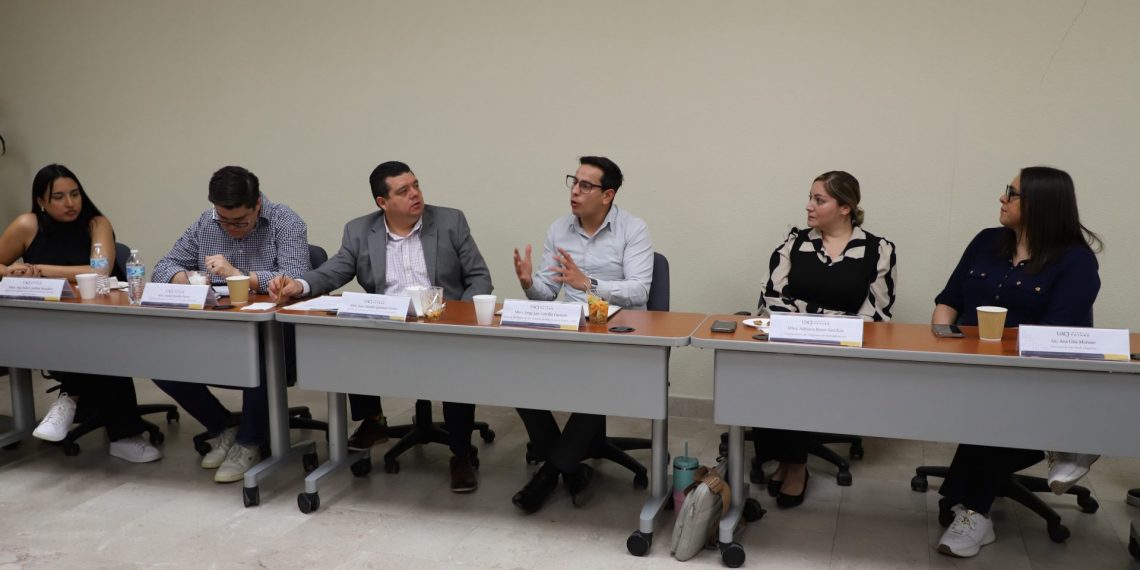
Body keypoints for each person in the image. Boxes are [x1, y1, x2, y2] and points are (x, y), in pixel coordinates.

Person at [269, 161, 492, 493]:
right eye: (403, 191)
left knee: (454, 365)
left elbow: (479, 277)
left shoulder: (450, 222)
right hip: (388, 325)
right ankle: (373, 420)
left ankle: (460, 454)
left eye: (416, 185)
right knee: (350, 336)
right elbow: (334, 270)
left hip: (440, 323)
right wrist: (299, 285)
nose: (415, 194)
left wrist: (460, 318)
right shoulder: (360, 230)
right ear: (382, 202)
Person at [932, 166, 1102, 558]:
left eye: (1012, 193)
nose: (1002, 198)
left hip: (1032, 381)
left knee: (996, 411)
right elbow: (948, 302)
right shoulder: (986, 241)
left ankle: (974, 509)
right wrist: (942, 344)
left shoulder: (1075, 261)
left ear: (1041, 203)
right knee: (985, 404)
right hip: (970, 368)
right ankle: (972, 494)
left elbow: (1057, 339)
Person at [510, 156, 653, 513]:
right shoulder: (559, 229)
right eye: (574, 182)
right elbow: (547, 293)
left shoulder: (633, 230)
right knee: (515, 373)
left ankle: (549, 473)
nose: (575, 190)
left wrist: (588, 283)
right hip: (570, 330)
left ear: (607, 195)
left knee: (601, 380)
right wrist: (529, 283)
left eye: (585, 185)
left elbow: (640, 290)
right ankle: (569, 467)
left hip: (619, 332)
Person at [151, 165, 310, 483]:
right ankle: (223, 427)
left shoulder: (286, 221)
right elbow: (163, 266)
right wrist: (187, 278)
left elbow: (296, 276)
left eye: (240, 221)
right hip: (215, 329)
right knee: (159, 360)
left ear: (257, 205)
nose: (231, 228)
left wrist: (237, 275)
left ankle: (249, 442)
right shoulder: (205, 223)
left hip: (272, 334)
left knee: (259, 356)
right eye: (224, 220)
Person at [756, 171, 898, 508]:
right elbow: (771, 298)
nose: (809, 206)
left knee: (796, 374)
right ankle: (791, 460)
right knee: (775, 368)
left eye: (819, 200)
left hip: (844, 353)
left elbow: (876, 316)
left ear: (845, 207)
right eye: (810, 197)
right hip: (792, 346)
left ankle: (794, 465)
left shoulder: (878, 250)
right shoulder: (794, 242)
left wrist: (808, 316)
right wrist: (832, 318)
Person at [0, 164, 160, 462]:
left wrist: (40, 269)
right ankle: (123, 434)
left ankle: (69, 399)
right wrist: (13, 271)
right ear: (41, 201)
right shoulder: (26, 225)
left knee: (100, 340)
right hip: (47, 323)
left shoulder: (96, 223)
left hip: (99, 319)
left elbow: (100, 270)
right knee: (94, 342)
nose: (70, 203)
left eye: (75, 194)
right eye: (58, 197)